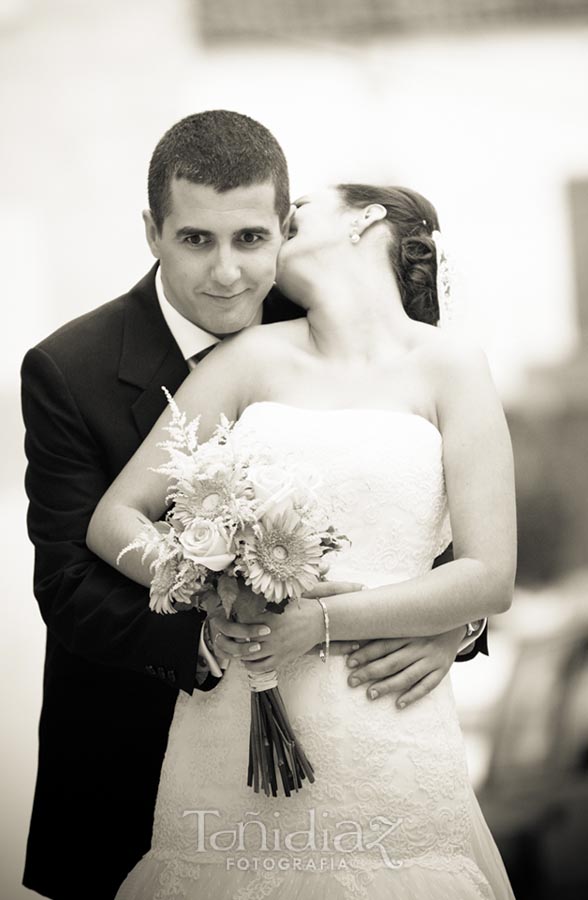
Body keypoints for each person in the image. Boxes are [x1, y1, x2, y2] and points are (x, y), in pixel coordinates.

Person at [20, 111, 485, 900]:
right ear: (152, 231)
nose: (230, 274)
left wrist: (454, 624)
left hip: (354, 748)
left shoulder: (325, 329)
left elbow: (415, 508)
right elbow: (67, 582)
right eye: (196, 240)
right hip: (134, 758)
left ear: (281, 229)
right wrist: (214, 622)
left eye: (252, 240)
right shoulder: (70, 367)